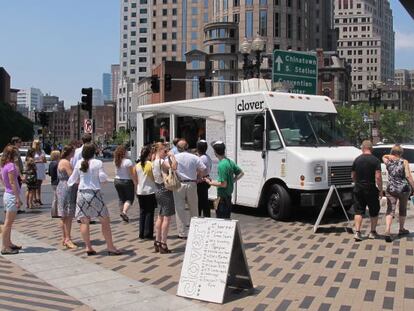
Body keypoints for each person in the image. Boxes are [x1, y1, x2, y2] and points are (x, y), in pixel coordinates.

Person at [68, 143, 121, 256]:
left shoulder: (79, 163)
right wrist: (103, 180)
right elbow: (102, 178)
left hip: (81, 194)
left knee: (84, 221)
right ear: (94, 152)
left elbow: (72, 180)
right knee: (104, 220)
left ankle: (88, 246)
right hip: (94, 193)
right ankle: (110, 247)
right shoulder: (97, 163)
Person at [173, 139, 206, 238]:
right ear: (187, 147)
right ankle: (195, 230)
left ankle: (182, 233)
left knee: (179, 209)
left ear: (177, 148)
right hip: (192, 183)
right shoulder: (194, 157)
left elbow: (166, 167)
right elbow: (203, 169)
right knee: (194, 208)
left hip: (179, 184)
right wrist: (199, 177)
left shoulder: (174, 157)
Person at [352, 140, 383, 242]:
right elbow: (378, 177)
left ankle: (357, 232)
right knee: (374, 210)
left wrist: (357, 183)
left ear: (362, 148)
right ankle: (372, 232)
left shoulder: (356, 160)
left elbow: (353, 175)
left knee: (358, 211)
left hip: (358, 188)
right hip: (371, 189)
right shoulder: (375, 160)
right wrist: (380, 189)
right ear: (371, 148)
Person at [382, 144, 414, 242]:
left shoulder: (387, 161)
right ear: (401, 153)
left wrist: (389, 156)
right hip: (403, 189)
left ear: (392, 152)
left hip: (391, 189)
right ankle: (401, 229)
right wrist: (413, 186)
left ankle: (387, 230)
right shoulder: (404, 162)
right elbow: (408, 176)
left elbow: (383, 156)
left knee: (390, 210)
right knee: (402, 209)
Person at [205, 141, 244, 219]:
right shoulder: (229, 162)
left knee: (222, 220)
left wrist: (210, 182)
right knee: (226, 219)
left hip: (222, 199)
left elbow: (223, 184)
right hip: (228, 197)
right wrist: (232, 181)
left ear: (215, 152)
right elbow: (241, 173)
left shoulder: (222, 165)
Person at [152, 142, 177, 253]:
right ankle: (163, 244)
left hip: (158, 189)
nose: (165, 153)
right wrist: (172, 156)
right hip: (165, 190)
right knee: (167, 218)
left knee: (160, 216)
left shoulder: (153, 161)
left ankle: (157, 241)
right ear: (160, 150)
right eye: (164, 151)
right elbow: (174, 167)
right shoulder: (161, 161)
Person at [1, 145, 22, 255]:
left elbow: (2, 180)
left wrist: (6, 187)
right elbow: (13, 182)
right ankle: (4, 246)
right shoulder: (11, 166)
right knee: (8, 223)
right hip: (12, 196)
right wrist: (17, 198)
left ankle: (8, 243)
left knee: (8, 222)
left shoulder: (3, 165)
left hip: (7, 194)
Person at [56, 145, 77, 249]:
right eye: (73, 151)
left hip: (61, 187)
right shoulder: (66, 162)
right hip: (67, 188)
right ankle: (68, 239)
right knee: (68, 215)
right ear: (70, 152)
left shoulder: (62, 161)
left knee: (63, 215)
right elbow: (72, 177)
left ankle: (64, 238)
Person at [135, 146, 157, 239]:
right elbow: (154, 176)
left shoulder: (137, 165)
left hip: (140, 191)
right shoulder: (150, 164)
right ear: (149, 155)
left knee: (142, 212)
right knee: (149, 212)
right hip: (150, 191)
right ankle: (148, 233)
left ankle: (141, 233)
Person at [113, 145, 137, 223]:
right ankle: (124, 212)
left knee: (121, 198)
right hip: (127, 181)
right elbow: (131, 173)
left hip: (117, 180)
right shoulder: (128, 161)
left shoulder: (116, 160)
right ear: (124, 152)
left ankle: (122, 213)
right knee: (129, 198)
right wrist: (135, 182)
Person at [196, 140, 212, 217]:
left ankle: (198, 217)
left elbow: (199, 171)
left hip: (201, 181)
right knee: (204, 200)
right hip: (206, 179)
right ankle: (206, 216)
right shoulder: (207, 157)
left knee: (200, 202)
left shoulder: (201, 158)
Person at [32, 140, 47, 205]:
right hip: (35, 168)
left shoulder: (42, 151)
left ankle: (39, 198)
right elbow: (30, 161)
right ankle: (34, 198)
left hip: (41, 168)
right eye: (38, 144)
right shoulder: (32, 151)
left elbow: (45, 160)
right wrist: (38, 161)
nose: (39, 145)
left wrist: (42, 160)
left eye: (39, 144)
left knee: (39, 184)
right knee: (35, 184)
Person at [49, 150, 60, 216]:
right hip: (57, 181)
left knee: (55, 197)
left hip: (53, 181)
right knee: (56, 198)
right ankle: (55, 212)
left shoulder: (51, 163)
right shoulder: (57, 163)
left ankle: (54, 212)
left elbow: (50, 173)